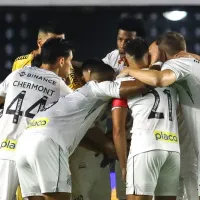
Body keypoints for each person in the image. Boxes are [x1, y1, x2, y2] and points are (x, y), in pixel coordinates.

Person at [15, 60, 149, 200]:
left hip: (24, 143)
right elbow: (140, 85)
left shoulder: (73, 98)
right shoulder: (96, 87)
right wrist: (130, 72)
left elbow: (84, 137)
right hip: (48, 143)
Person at [118, 32, 200, 200]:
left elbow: (159, 79)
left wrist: (129, 70)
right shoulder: (194, 63)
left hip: (147, 146)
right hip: (176, 150)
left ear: (162, 54)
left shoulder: (178, 65)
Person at [0, 37, 73, 200]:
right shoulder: (59, 86)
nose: (70, 66)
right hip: (32, 153)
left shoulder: (17, 74)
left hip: (6, 150)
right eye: (70, 61)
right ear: (61, 61)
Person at [113, 38, 180, 200]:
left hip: (144, 148)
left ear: (126, 59)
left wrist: (123, 166)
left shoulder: (122, 83)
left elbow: (118, 130)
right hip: (172, 149)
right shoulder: (169, 78)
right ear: (148, 56)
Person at [102, 13, 145, 200]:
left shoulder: (148, 59)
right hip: (120, 129)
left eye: (128, 41)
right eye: (120, 39)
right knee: (122, 188)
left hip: (143, 131)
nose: (122, 45)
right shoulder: (111, 58)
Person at [12, 21, 83, 90]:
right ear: (40, 43)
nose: (59, 47)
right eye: (52, 43)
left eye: (62, 42)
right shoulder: (20, 63)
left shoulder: (66, 69)